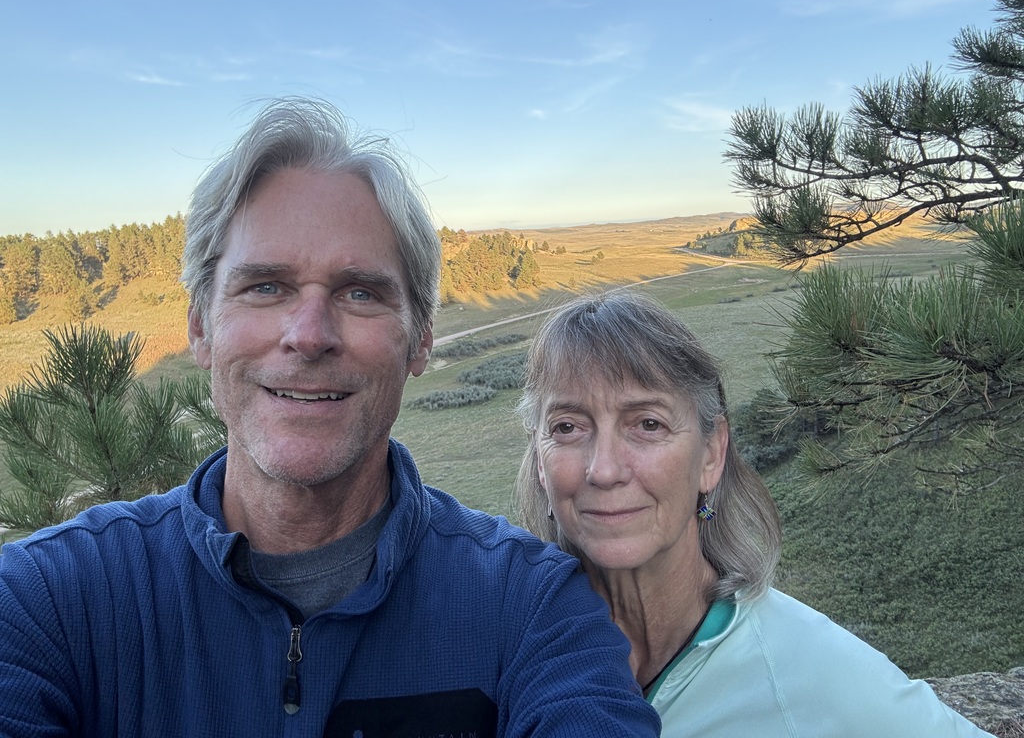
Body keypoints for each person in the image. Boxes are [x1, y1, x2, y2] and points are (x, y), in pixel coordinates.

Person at [0, 99, 660, 737]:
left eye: (360, 293)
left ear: (420, 340)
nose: (310, 334)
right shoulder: (47, 600)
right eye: (266, 287)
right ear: (201, 328)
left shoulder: (531, 607)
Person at [514, 289, 994, 737]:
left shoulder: (807, 670)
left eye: (648, 424)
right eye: (568, 427)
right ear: (539, 460)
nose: (603, 470)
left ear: (711, 454)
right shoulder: (509, 643)